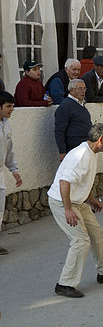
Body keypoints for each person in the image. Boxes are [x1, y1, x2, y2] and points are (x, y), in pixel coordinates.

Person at [48, 123, 103, 298]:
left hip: (78, 201)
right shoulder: (80, 156)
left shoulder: (92, 153)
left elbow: (84, 180)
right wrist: (68, 209)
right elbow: (64, 183)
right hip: (62, 202)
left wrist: (91, 200)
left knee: (97, 234)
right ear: (100, 140)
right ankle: (64, 284)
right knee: (80, 241)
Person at [0, 91, 22, 255]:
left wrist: (14, 170)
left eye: (12, 106)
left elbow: (9, 150)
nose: (12, 109)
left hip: (0, 173)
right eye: (8, 106)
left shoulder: (6, 125)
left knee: (0, 208)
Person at [54, 79, 92, 161]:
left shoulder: (81, 104)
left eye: (84, 89)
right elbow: (59, 131)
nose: (83, 91)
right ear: (72, 90)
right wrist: (62, 152)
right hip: (73, 147)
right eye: (80, 88)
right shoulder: (65, 106)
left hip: (85, 145)